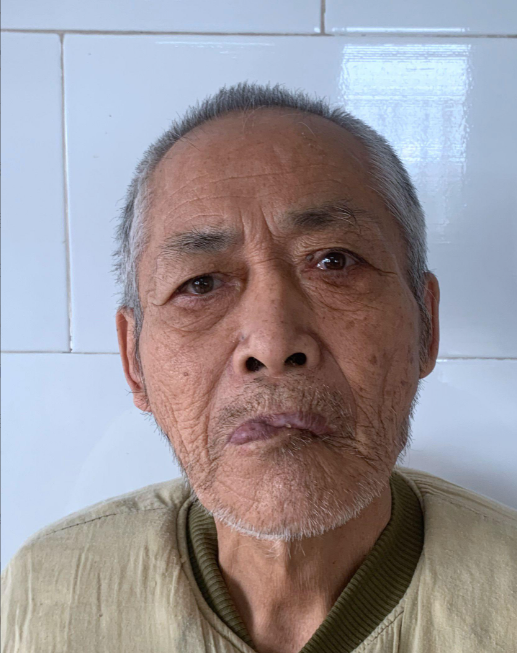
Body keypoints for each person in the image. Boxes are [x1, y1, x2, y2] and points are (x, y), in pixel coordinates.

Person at [2, 82, 516, 653]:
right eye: (200, 284)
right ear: (134, 362)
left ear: (426, 325)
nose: (271, 343)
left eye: (334, 261)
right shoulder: (42, 596)